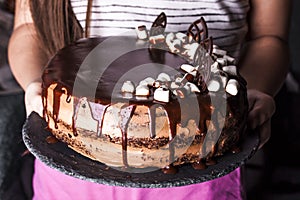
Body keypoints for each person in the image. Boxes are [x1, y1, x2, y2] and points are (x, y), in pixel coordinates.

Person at [8, 0, 291, 199]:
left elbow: (269, 36)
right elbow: (28, 29)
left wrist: (251, 91)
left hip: (203, 172)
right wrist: (35, 84)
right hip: (73, 164)